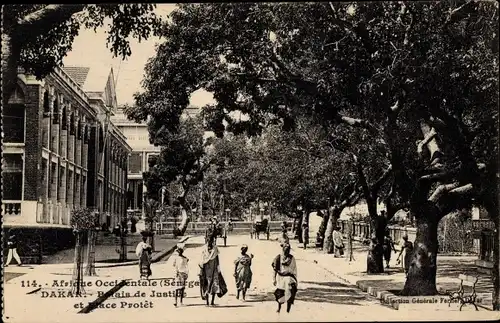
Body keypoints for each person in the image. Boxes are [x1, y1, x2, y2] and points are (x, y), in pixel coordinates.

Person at [199, 237, 227, 306]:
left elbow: (217, 260)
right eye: (208, 241)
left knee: (214, 285)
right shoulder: (204, 249)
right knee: (206, 285)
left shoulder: (215, 249)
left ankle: (212, 302)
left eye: (211, 241)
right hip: (206, 270)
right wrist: (201, 269)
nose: (210, 243)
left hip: (214, 270)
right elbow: (202, 260)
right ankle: (207, 302)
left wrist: (218, 269)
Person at [272, 240, 298, 313]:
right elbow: (275, 269)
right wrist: (274, 279)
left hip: (290, 278)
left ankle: (288, 309)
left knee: (291, 292)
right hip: (281, 278)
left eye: (288, 250)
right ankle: (279, 308)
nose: (287, 251)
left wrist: (294, 279)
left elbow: (294, 270)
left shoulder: (292, 258)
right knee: (280, 294)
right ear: (283, 249)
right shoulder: (278, 258)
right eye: (286, 250)